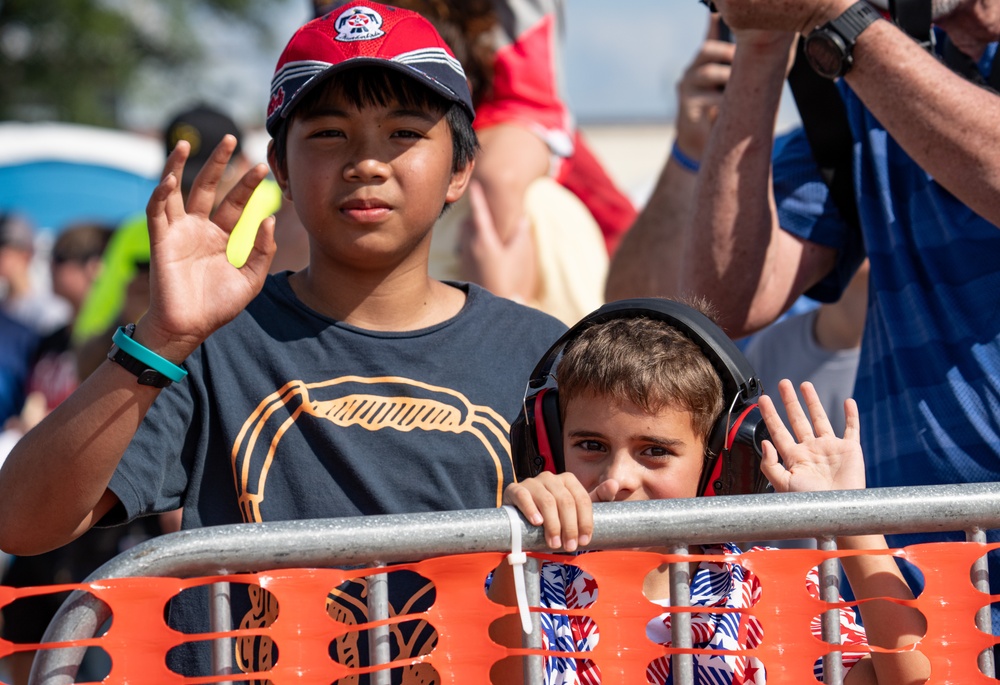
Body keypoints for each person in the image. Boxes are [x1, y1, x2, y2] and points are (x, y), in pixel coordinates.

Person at [0, 2, 566, 683]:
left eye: (404, 132)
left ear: (460, 168)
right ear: (282, 169)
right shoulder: (215, 344)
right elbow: (22, 520)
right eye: (329, 133)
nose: (365, 162)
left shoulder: (544, 354)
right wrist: (161, 336)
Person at [605, 0, 1000, 630]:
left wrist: (835, 19)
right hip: (920, 580)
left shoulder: (869, 56)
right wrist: (761, 44)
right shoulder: (868, 84)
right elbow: (724, 302)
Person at [489, 299, 929, 684]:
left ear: (721, 463)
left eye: (655, 451)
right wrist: (518, 542)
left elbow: (914, 680)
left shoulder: (775, 592)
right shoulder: (523, 581)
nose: (617, 478)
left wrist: (851, 520)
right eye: (591, 445)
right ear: (546, 447)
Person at [71, 103, 285, 346]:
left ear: (244, 163)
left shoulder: (284, 208)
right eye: (181, 182)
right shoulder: (136, 232)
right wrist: (128, 322)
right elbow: (82, 360)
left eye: (215, 176)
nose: (196, 191)